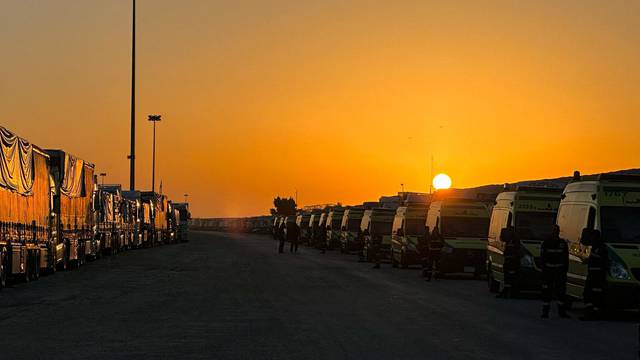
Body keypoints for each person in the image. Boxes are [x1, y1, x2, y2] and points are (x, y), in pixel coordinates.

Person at [540, 224, 570, 319]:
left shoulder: (562, 243)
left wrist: (565, 270)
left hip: (559, 272)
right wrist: (544, 270)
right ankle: (545, 312)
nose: (555, 232)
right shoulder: (546, 243)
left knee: (561, 292)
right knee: (547, 292)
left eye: (557, 231)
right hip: (549, 271)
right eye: (554, 231)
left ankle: (561, 311)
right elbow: (542, 258)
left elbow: (566, 258)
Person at [582, 230, 608, 320]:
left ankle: (592, 314)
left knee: (591, 294)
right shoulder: (596, 247)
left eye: (592, 237)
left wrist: (589, 259)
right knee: (591, 294)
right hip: (594, 274)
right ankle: (592, 313)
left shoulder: (600, 247)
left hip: (597, 275)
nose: (591, 239)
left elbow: (601, 260)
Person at [498, 225, 521, 298]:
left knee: (512, 278)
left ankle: (511, 292)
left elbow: (517, 252)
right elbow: (501, 239)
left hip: (513, 262)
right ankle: (508, 292)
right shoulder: (509, 239)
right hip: (509, 262)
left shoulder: (515, 240)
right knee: (508, 278)